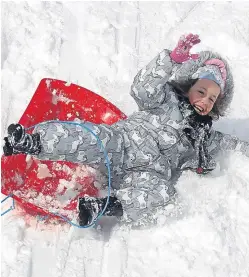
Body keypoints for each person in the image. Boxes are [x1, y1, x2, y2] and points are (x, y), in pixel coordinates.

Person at [3, 34, 249, 226]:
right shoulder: (165, 99)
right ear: (188, 86)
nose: (205, 101)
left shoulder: (203, 138)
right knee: (89, 139)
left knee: (163, 195)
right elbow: (142, 87)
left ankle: (102, 206)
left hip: (148, 173)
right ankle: (32, 142)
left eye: (213, 99)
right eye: (202, 91)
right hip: (123, 143)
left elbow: (232, 145)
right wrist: (170, 60)